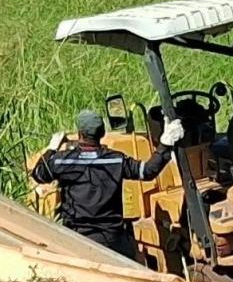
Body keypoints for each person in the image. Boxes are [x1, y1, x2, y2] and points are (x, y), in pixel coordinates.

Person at [30, 110, 185, 259]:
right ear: (102, 134)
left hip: (76, 238)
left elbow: (38, 174)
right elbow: (148, 171)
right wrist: (165, 144)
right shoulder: (116, 160)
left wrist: (51, 148)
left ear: (80, 134)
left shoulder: (62, 161)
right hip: (112, 240)